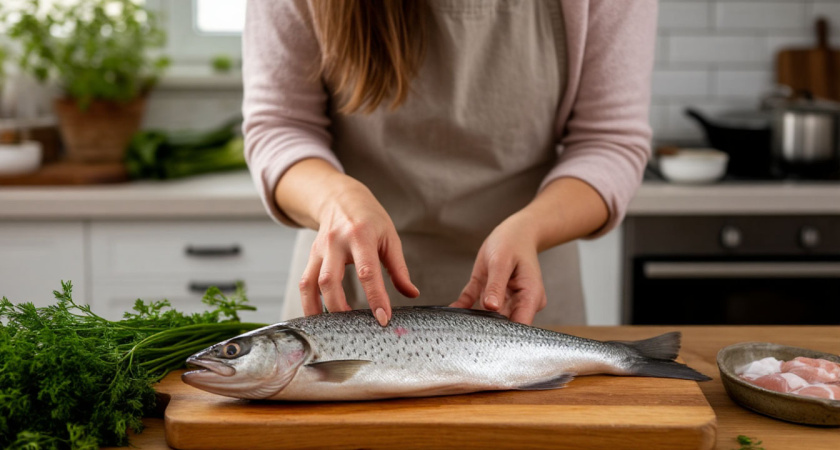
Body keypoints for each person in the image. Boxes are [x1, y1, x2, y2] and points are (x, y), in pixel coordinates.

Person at [242, 0, 656, 327]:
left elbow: (610, 140)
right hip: (351, 291)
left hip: (525, 292)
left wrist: (532, 228)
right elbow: (280, 126)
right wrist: (336, 198)